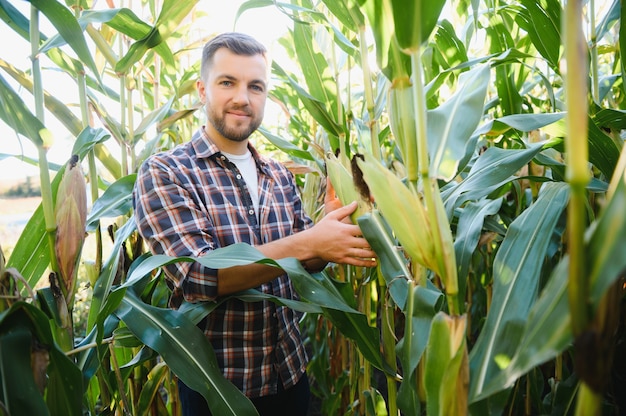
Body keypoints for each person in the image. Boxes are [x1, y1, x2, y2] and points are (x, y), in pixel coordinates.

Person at [133, 32, 376, 415]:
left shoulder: (278, 175)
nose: (242, 98)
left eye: (256, 86)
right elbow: (198, 275)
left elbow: (306, 263)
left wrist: (331, 229)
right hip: (219, 388)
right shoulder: (167, 172)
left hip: (290, 374)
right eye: (227, 82)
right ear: (202, 90)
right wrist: (311, 241)